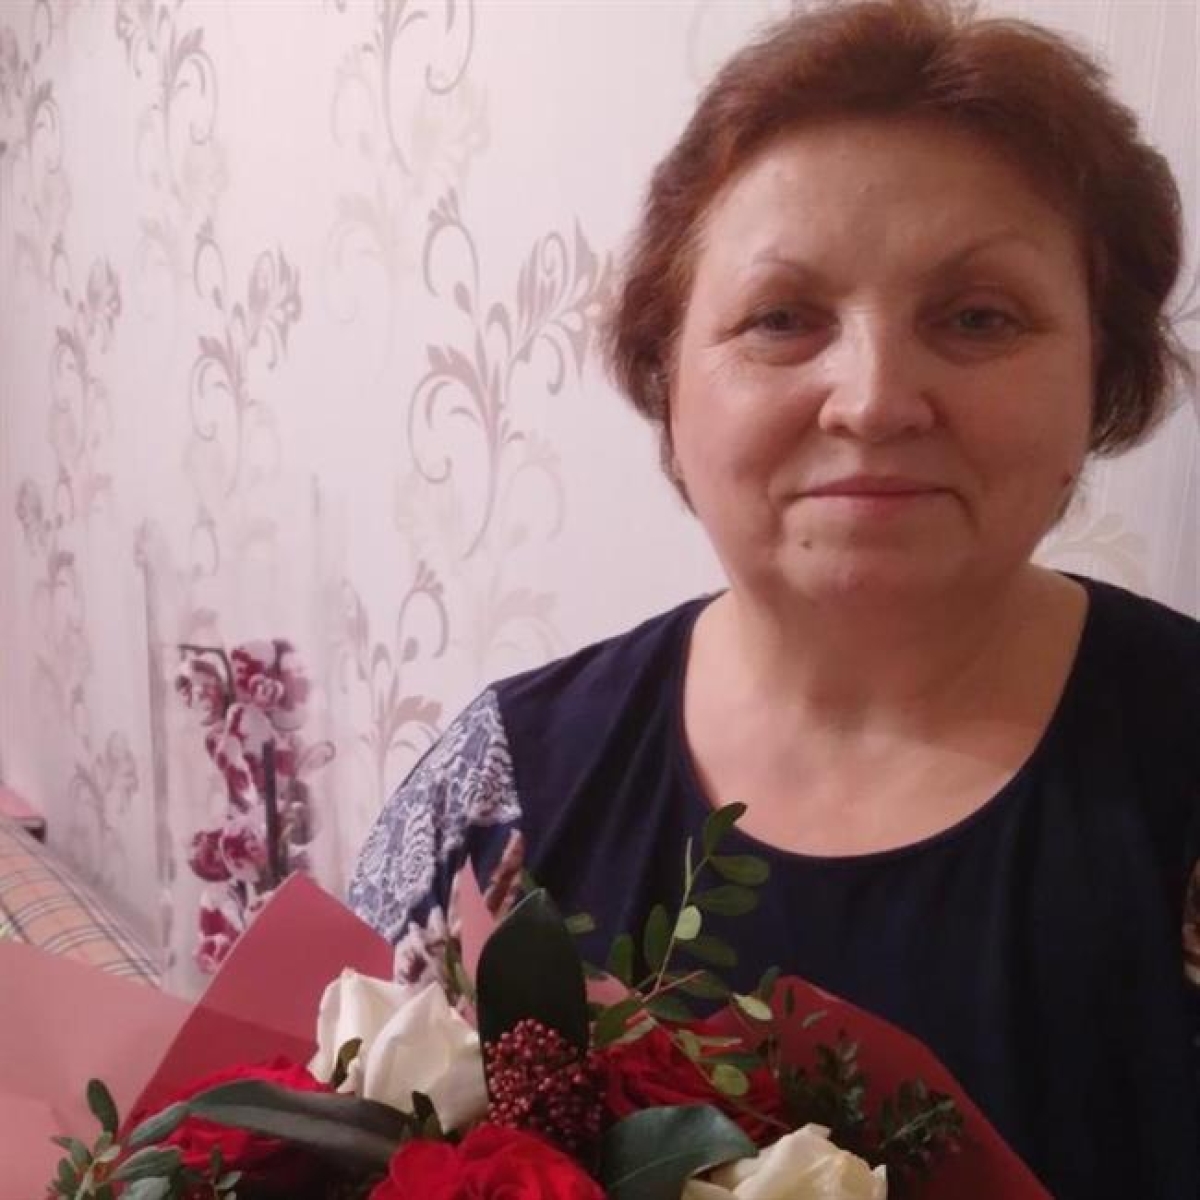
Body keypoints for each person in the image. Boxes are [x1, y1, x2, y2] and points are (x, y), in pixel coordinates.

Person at [349, 1, 1199, 1194]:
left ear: (1102, 377)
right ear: (668, 381)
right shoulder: (498, 794)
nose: (874, 399)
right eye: (784, 320)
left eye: (977, 317)